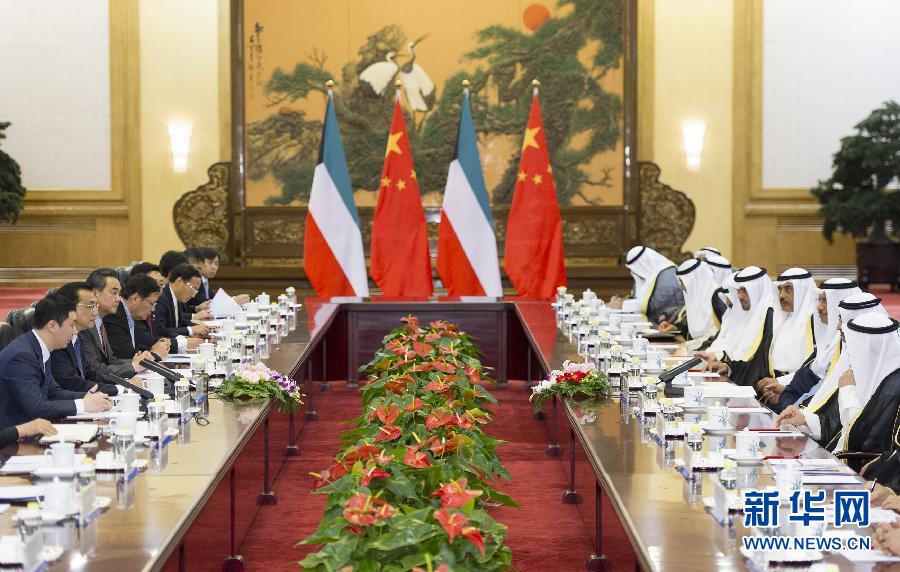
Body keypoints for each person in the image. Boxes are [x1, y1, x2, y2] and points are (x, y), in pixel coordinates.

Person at [776, 312, 899, 466]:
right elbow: (835, 425)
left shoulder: (892, 389)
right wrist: (804, 419)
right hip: (836, 459)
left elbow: (859, 440)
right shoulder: (861, 375)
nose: (850, 354)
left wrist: (848, 392)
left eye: (854, 347)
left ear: (869, 348)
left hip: (858, 470)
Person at [0, 294, 112, 426]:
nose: (75, 331)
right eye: (72, 325)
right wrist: (83, 405)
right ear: (52, 326)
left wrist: (89, 398)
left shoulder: (39, 347)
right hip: (16, 432)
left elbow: (53, 393)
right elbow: (36, 408)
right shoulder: (21, 356)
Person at [757, 278, 860, 411]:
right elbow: (817, 378)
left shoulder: (847, 345)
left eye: (826, 301)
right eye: (819, 300)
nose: (819, 307)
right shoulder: (833, 340)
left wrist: (788, 394)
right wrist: (787, 392)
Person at [697, 266, 774, 389]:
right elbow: (741, 355)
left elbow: (759, 364)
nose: (739, 296)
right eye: (738, 290)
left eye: (745, 290)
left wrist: (727, 365)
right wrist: (727, 366)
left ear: (757, 290)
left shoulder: (770, 318)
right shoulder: (748, 316)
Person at [80, 269, 152, 381]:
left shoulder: (100, 322)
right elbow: (93, 370)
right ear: (94, 293)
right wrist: (133, 366)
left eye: (119, 293)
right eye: (114, 293)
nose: (118, 299)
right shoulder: (84, 326)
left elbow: (111, 360)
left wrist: (137, 362)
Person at [51, 282, 119, 395]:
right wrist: (117, 389)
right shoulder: (57, 342)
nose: (95, 312)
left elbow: (89, 373)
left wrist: (124, 383)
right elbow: (71, 383)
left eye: (96, 306)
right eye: (90, 306)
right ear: (69, 308)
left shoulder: (78, 337)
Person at [104, 273, 170, 359]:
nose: (153, 309)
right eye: (151, 303)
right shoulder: (114, 316)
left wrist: (157, 346)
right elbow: (126, 356)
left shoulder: (132, 315)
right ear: (135, 298)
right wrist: (155, 354)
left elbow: (139, 345)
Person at [663, 258, 725, 348]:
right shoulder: (696, 297)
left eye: (682, 282)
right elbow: (692, 329)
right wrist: (674, 328)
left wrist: (688, 345)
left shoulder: (718, 298)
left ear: (694, 281)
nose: (681, 287)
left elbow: (720, 336)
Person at [614, 246, 684, 325]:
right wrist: (622, 300)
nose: (633, 272)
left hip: (672, 324)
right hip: (655, 323)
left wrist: (623, 305)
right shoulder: (647, 274)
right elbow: (640, 297)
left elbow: (657, 304)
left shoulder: (668, 274)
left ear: (643, 263)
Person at [769, 268, 818, 376]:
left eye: (788, 289)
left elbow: (815, 370)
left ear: (803, 291)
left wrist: (782, 382)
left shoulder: (815, 322)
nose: (781, 295)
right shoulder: (781, 320)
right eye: (780, 289)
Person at [152, 263, 209, 351]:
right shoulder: (161, 299)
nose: (193, 295)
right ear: (179, 281)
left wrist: (199, 327)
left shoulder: (175, 296)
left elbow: (180, 322)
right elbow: (161, 332)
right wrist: (191, 330)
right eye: (193, 288)